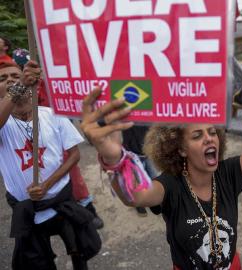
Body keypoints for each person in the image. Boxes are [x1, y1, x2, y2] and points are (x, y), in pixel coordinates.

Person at [80, 61, 242, 269]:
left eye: (212, 132)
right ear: (181, 149)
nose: (209, 138)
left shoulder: (228, 173)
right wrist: (113, 159)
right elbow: (136, 196)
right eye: (197, 136)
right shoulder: (170, 186)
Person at [0, 61, 101, 270]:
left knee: (78, 249)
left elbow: (74, 155)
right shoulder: (4, 124)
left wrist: (47, 184)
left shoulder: (51, 114)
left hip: (60, 197)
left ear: (32, 83)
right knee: (39, 261)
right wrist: (18, 86)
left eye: (15, 76)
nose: (10, 79)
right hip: (26, 207)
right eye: (3, 78)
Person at [10, 48, 105, 229]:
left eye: (31, 67)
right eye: (23, 68)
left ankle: (88, 210)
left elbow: (58, 101)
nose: (28, 72)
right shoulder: (12, 95)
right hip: (28, 146)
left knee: (71, 173)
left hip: (53, 132)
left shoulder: (43, 85)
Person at [122, 125, 159, 217]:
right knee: (137, 181)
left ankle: (156, 200)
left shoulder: (143, 114)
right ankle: (139, 203)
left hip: (146, 152)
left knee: (154, 177)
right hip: (131, 156)